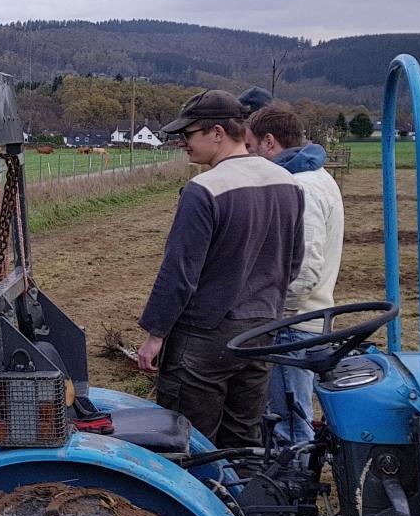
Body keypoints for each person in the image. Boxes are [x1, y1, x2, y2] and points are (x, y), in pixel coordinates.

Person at [136, 90, 305, 447]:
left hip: (205, 338)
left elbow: (179, 273)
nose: (183, 143)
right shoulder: (288, 183)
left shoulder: (204, 189)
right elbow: (293, 261)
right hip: (262, 331)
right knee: (243, 438)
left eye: (188, 134)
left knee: (186, 442)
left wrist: (155, 335)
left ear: (217, 132)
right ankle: (242, 500)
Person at [246, 103, 344, 445]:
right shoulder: (316, 176)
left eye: (251, 147)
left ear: (269, 143)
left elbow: (305, 268)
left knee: (289, 419)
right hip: (302, 319)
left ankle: (293, 487)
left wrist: (276, 313)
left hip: (293, 324)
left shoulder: (302, 186)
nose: (249, 156)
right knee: (287, 413)